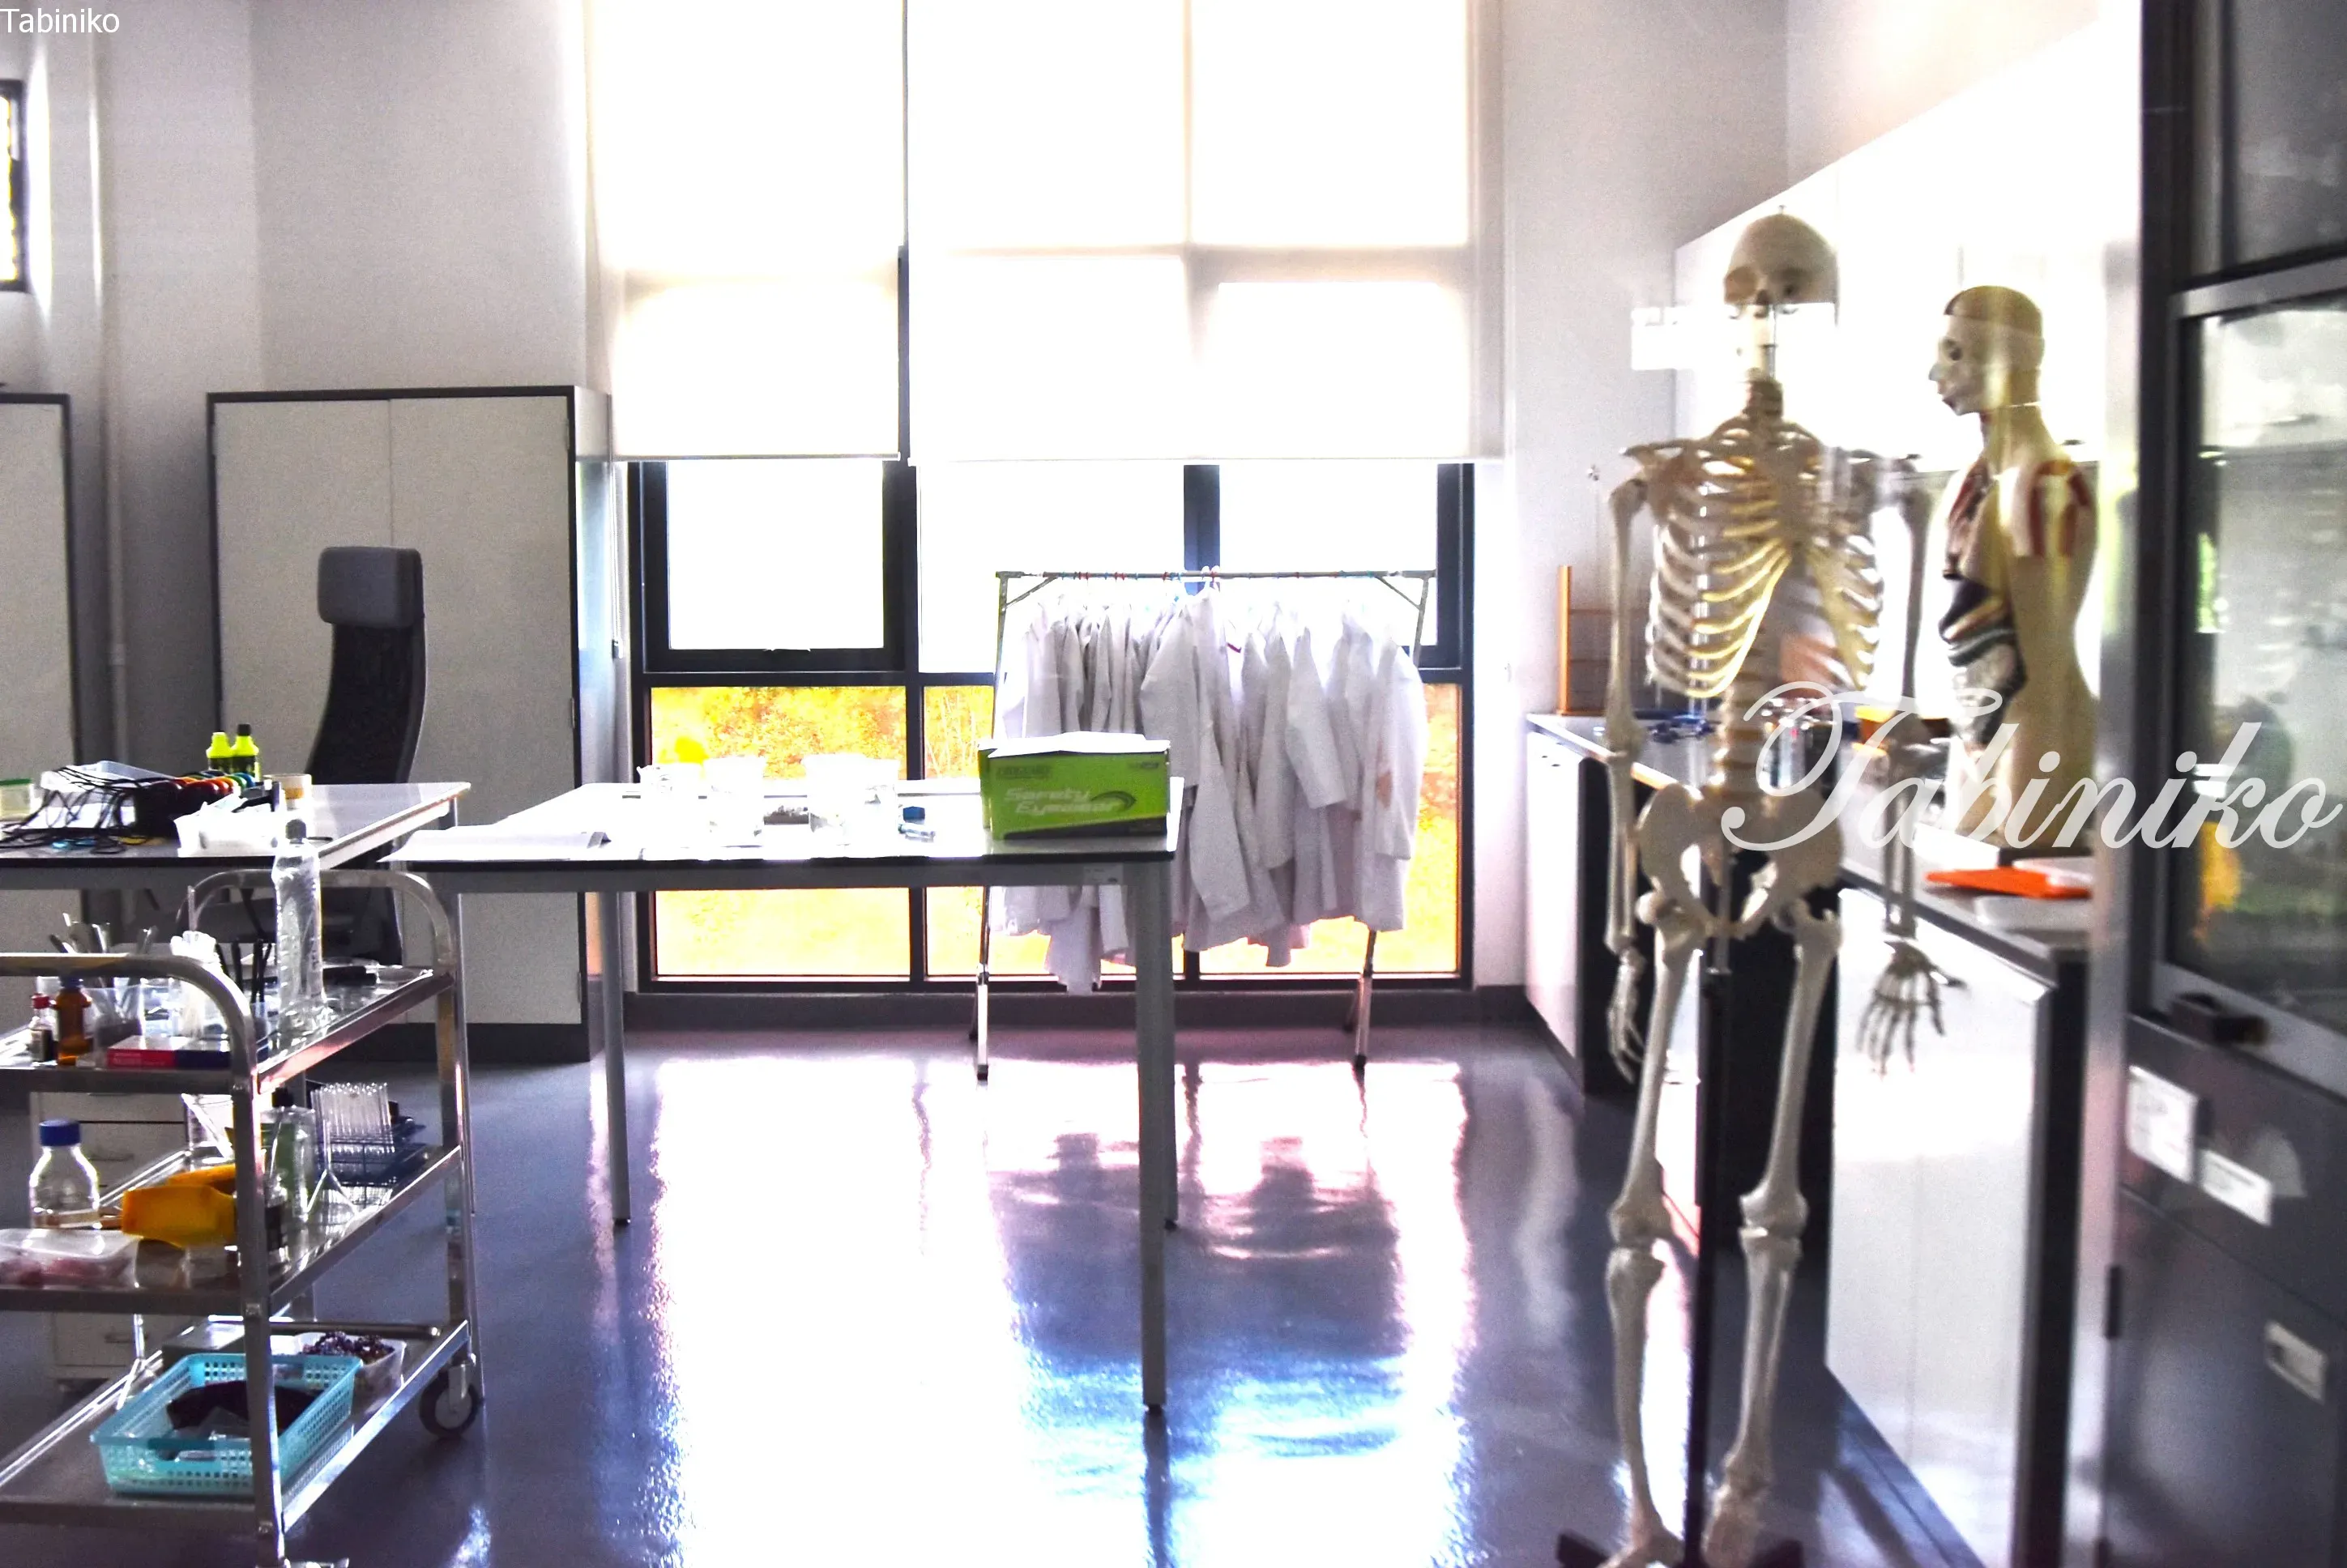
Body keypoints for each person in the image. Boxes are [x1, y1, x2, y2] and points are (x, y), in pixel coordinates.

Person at [1929, 284, 2097, 844]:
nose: (1935, 373)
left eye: (1954, 353)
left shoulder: (2043, 485)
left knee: (2022, 865)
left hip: (2033, 729)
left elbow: (2041, 667)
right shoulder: (1972, 483)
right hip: (1976, 725)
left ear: (2001, 359)